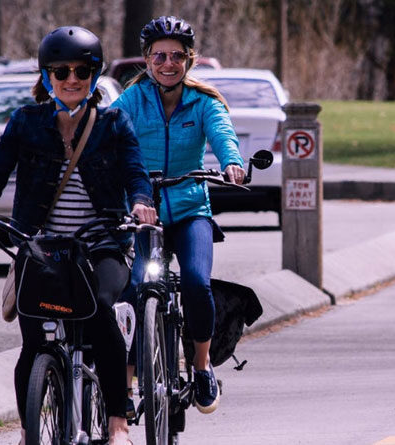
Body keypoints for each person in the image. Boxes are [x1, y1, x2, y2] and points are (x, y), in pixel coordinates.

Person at [0, 26, 156, 445]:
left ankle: (118, 423)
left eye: (82, 71)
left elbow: (135, 172)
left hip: (102, 244)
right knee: (33, 341)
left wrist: (139, 202)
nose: (72, 79)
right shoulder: (25, 122)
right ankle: (30, 431)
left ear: (95, 75)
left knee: (100, 313)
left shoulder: (114, 122)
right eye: (61, 71)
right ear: (47, 77)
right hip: (43, 248)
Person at [112, 15, 245, 415]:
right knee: (135, 289)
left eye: (176, 56)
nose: (168, 64)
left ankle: (201, 367)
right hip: (144, 213)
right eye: (159, 56)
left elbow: (223, 134)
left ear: (190, 59)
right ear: (147, 60)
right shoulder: (132, 100)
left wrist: (232, 162)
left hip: (190, 211)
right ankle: (126, 385)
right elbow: (106, 133)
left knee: (196, 283)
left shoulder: (204, 102)